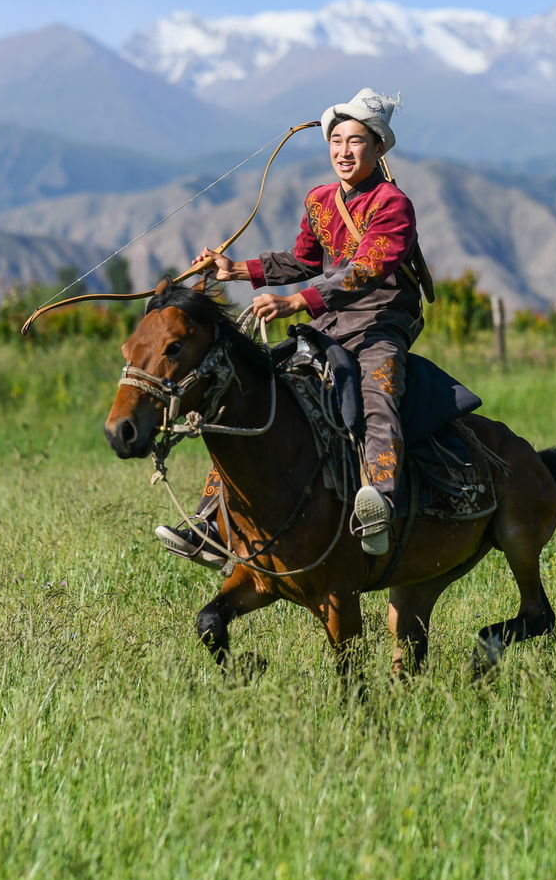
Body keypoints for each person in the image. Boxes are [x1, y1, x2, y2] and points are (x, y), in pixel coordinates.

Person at [156, 88, 423, 563]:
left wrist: (298, 302)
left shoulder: (393, 204)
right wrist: (234, 270)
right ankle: (211, 525)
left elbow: (365, 270)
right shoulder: (320, 200)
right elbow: (303, 261)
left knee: (377, 391)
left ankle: (379, 504)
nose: (343, 151)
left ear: (378, 147)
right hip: (329, 322)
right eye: (336, 140)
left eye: (356, 141)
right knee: (251, 393)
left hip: (380, 322)